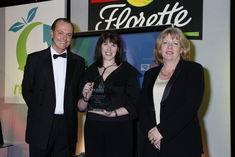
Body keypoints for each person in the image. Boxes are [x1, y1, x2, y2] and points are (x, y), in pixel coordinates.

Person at [22, 18, 85, 157]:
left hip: (67, 127)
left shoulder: (79, 62)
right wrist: (41, 112)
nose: (65, 38)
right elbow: (27, 90)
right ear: (51, 33)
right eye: (60, 33)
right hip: (41, 126)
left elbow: (79, 93)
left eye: (69, 34)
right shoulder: (34, 59)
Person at [137, 27, 204, 157]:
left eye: (175, 43)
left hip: (182, 142)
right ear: (159, 48)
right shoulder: (150, 74)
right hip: (152, 144)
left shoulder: (193, 70)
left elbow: (190, 107)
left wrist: (161, 131)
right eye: (165, 43)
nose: (169, 47)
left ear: (182, 48)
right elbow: (142, 107)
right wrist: (151, 134)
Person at [77, 32, 140, 157]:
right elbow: (80, 107)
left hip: (119, 127)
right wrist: (85, 98)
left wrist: (114, 113)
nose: (109, 48)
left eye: (113, 45)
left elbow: (135, 104)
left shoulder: (128, 71)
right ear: (99, 47)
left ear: (118, 49)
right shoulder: (90, 71)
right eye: (105, 44)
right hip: (93, 127)